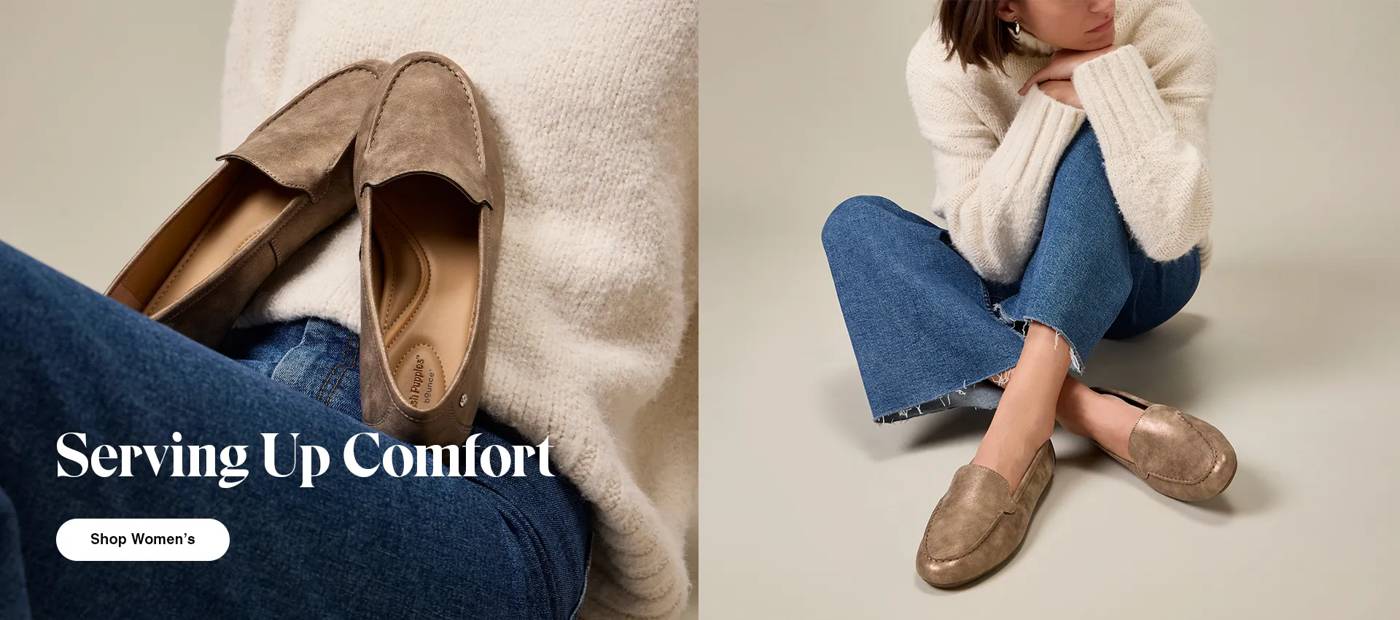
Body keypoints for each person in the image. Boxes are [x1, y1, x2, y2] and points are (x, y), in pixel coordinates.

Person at [821, 0, 1238, 587]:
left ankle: (1013, 441)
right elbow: (993, 256)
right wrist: (1049, 110)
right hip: (1026, 277)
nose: (1104, 3)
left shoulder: (1164, 24)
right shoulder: (943, 65)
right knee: (855, 225)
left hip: (1148, 274)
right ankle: (1085, 409)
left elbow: (1174, 228)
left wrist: (1109, 79)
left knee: (1097, 139)